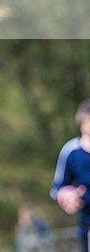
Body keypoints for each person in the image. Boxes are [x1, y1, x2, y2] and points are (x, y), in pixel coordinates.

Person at [52, 98, 90, 252]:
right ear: (82, 122)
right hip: (87, 225)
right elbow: (58, 188)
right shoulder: (71, 151)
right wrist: (68, 197)